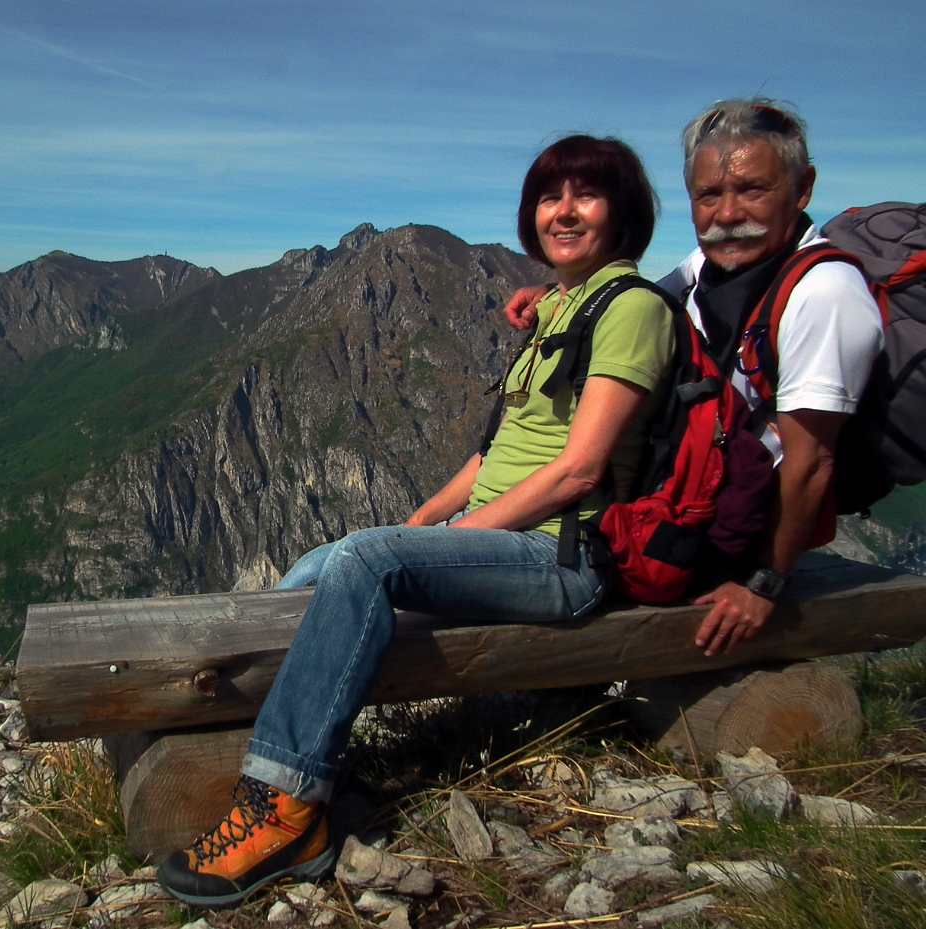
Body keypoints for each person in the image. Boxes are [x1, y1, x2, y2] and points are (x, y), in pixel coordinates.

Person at [158, 135, 677, 909]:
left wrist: (456, 540)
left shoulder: (631, 310)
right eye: (548, 196)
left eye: (585, 195)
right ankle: (257, 742)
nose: (563, 211)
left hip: (562, 556)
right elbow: (499, 448)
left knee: (364, 562)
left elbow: (580, 469)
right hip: (506, 533)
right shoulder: (563, 306)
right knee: (324, 560)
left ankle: (288, 812)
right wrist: (428, 517)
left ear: (624, 211)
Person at [505, 99, 884, 658]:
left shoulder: (824, 293)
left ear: (802, 189)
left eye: (752, 189)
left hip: (740, 540)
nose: (728, 214)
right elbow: (625, 302)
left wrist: (764, 583)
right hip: (689, 510)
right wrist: (556, 298)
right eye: (709, 195)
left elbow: (811, 461)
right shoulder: (704, 269)